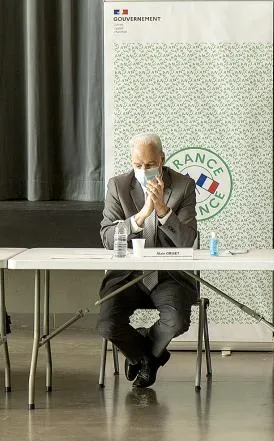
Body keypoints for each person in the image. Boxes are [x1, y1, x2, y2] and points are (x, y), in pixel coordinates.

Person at [97, 133, 198, 388]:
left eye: (150, 165)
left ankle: (142, 352)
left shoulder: (183, 185)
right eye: (138, 165)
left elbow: (187, 241)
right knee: (107, 324)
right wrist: (140, 217)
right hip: (127, 275)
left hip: (168, 276)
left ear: (161, 160)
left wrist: (163, 210)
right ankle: (148, 357)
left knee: (176, 322)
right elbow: (107, 238)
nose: (144, 170)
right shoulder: (118, 186)